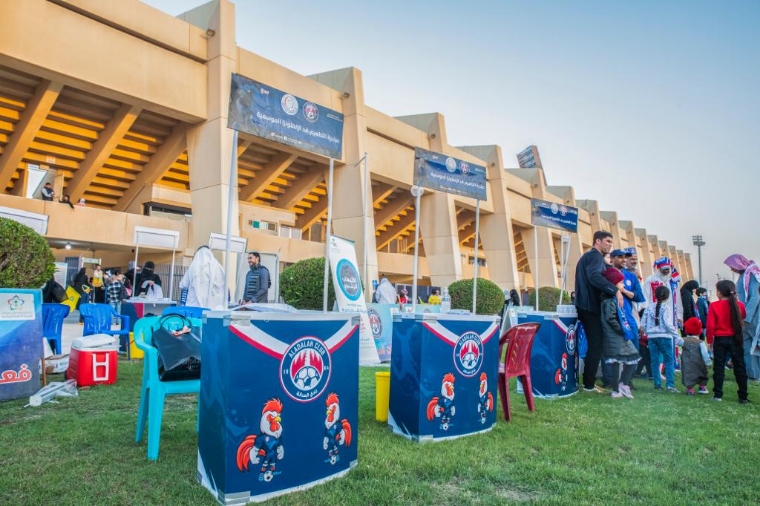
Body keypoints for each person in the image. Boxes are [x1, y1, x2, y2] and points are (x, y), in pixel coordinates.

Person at [574, 230, 623, 393]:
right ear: (597, 241)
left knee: (596, 345)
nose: (610, 245)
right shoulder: (594, 256)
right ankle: (588, 385)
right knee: (596, 346)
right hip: (589, 308)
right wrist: (615, 290)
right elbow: (594, 277)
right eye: (607, 241)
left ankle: (589, 382)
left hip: (587, 306)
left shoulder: (592, 257)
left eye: (611, 242)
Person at [707, 279, 749, 403]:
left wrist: (710, 340)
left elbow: (710, 326)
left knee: (719, 367)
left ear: (719, 293)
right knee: (740, 367)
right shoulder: (739, 305)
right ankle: (743, 396)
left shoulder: (714, 305)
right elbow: (743, 316)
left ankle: (718, 394)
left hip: (720, 339)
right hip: (736, 338)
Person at [600, 267, 640, 399]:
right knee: (617, 361)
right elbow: (610, 318)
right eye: (621, 282)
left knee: (632, 356)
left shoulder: (614, 298)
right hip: (614, 335)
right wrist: (622, 329)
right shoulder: (608, 300)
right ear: (613, 283)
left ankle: (623, 384)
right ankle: (616, 389)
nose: (623, 285)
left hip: (619, 334)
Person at [723, 254, 760, 380]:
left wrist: (746, 317)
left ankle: (754, 374)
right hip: (745, 317)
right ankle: (753, 375)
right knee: (747, 347)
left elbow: (755, 297)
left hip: (752, 317)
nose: (731, 269)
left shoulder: (752, 274)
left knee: (753, 345)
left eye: (732, 266)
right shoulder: (745, 275)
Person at [640, 285, 679, 392]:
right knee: (669, 360)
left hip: (652, 337)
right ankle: (670, 385)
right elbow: (667, 323)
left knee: (655, 361)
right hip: (665, 336)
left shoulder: (649, 307)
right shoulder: (666, 308)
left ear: (655, 295)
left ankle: (657, 384)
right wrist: (676, 335)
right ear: (667, 296)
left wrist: (646, 330)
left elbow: (642, 323)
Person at [179, 246, 226, 310]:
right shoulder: (218, 267)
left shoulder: (193, 267)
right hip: (214, 307)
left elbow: (184, 285)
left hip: (194, 307)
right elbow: (223, 286)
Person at [680, 317, 709, 395]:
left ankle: (690, 389)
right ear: (699, 331)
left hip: (687, 363)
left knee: (688, 374)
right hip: (699, 363)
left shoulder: (683, 340)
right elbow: (705, 354)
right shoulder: (701, 342)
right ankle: (702, 386)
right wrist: (707, 362)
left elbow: (676, 342)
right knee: (702, 373)